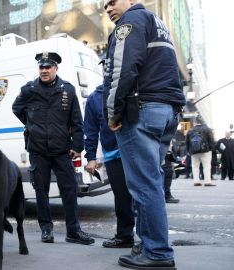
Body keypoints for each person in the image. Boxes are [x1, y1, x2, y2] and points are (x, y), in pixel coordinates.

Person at [103, 0, 185, 269]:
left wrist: (112, 112)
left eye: (112, 1)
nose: (108, 7)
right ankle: (147, 244)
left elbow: (123, 69)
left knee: (144, 185)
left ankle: (157, 252)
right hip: (166, 111)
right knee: (151, 182)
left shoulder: (130, 23)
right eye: (104, 4)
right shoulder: (157, 23)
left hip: (142, 111)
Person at [12, 51, 94, 246]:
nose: (44, 70)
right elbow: (17, 109)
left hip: (61, 150)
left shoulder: (68, 90)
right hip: (38, 149)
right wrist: (31, 124)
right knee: (41, 190)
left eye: (48, 67)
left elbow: (77, 121)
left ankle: (73, 231)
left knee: (70, 189)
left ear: (56, 68)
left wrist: (78, 146)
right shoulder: (29, 90)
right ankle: (46, 229)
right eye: (41, 67)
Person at [84, 83, 135, 248]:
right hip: (113, 154)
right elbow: (91, 130)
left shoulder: (133, 87)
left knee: (143, 195)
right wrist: (91, 157)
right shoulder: (94, 97)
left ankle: (149, 238)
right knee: (122, 198)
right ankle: (125, 236)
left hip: (136, 150)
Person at [185, 116, 216, 187]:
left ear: (195, 122)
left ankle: (196, 181)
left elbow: (187, 141)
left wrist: (188, 151)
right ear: (202, 121)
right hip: (205, 151)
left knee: (195, 166)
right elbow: (211, 140)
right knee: (206, 166)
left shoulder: (190, 130)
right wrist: (212, 149)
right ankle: (207, 181)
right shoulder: (207, 129)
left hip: (193, 151)